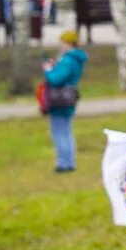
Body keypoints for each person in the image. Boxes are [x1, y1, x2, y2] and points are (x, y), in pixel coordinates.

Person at [42, 30, 87, 173]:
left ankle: (64, 163)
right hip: (70, 96)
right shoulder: (76, 59)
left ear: (68, 43)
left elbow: (56, 79)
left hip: (59, 98)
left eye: (62, 43)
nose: (60, 46)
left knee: (59, 131)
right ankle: (69, 161)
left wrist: (48, 70)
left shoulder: (68, 60)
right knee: (66, 130)